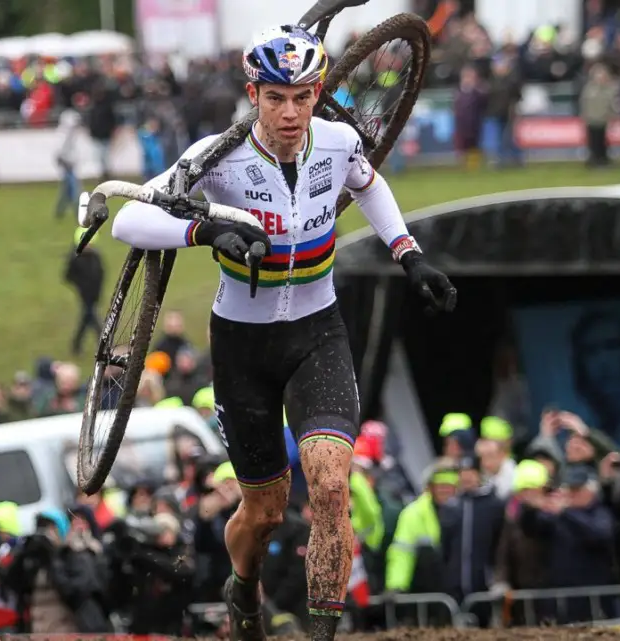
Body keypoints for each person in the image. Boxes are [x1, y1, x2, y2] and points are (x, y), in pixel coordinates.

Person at [111, 24, 456, 641]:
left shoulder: (337, 140)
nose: (291, 112)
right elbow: (130, 220)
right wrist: (206, 231)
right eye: (276, 98)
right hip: (243, 348)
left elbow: (369, 185)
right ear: (254, 93)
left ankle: (324, 634)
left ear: (317, 92)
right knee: (265, 512)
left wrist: (409, 253)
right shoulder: (218, 155)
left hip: (317, 335)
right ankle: (241, 585)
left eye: (302, 96)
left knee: (328, 484)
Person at [65, 227, 104, 355]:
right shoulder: (75, 257)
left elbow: (101, 273)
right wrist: (81, 286)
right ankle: (103, 342)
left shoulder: (95, 256)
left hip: (94, 294)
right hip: (85, 295)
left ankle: (76, 345)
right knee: (91, 317)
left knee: (87, 319)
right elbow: (68, 276)